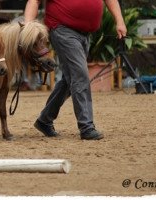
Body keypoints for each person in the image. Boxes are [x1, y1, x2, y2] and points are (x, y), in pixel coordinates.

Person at [24, 0, 127, 140]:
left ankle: (44, 120)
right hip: (62, 30)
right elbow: (34, 1)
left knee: (69, 79)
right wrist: (28, 27)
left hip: (85, 34)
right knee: (80, 75)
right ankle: (86, 127)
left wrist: (119, 21)